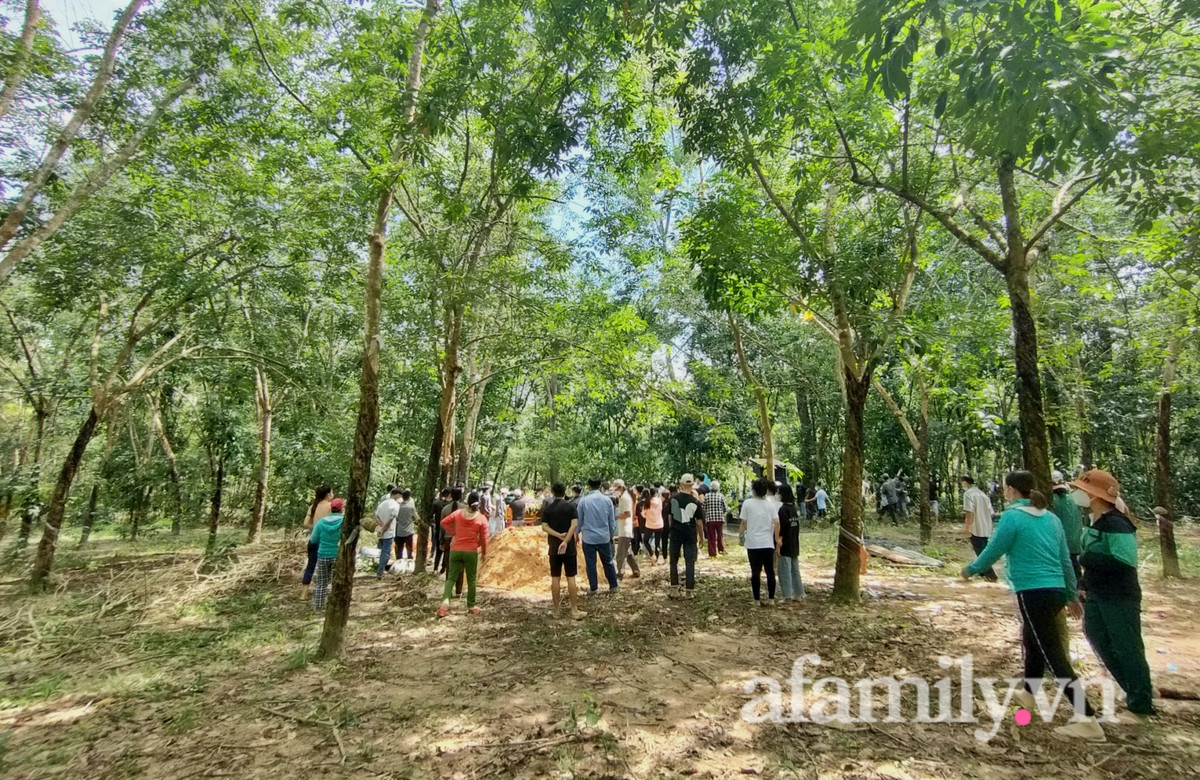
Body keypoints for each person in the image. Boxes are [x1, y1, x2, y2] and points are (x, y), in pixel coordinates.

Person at [962, 471, 1104, 742]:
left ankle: (1087, 718)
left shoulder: (1013, 517)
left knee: (1052, 652)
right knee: (1033, 640)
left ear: (1011, 490)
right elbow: (1065, 559)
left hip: (1032, 591)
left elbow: (994, 549)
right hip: (1054, 590)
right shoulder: (1051, 518)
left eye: (1005, 487)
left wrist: (971, 569)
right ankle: (1028, 695)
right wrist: (1071, 593)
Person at [1071, 469, 1155, 717]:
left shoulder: (1118, 524)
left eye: (1083, 490)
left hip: (1119, 597)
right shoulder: (1095, 521)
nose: (1079, 494)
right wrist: (1084, 584)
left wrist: (1089, 559)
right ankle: (1132, 688)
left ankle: (1141, 702)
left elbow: (1124, 561)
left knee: (1127, 646)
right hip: (1097, 594)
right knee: (1096, 636)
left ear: (1095, 495)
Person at [437, 491, 489, 617]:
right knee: (471, 579)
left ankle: (445, 604)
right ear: (479, 503)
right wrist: (483, 552)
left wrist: (454, 533)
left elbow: (443, 522)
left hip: (456, 550)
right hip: (471, 551)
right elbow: (484, 538)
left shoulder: (458, 513)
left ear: (467, 502)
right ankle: (471, 606)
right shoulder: (481, 518)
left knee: (451, 578)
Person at [540, 482, 586, 619]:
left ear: (553, 492)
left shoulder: (548, 508)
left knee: (555, 578)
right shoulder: (571, 506)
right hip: (569, 548)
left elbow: (544, 526)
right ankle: (574, 610)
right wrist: (566, 540)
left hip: (554, 547)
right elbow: (574, 525)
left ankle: (556, 610)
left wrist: (557, 535)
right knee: (571, 577)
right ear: (564, 491)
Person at [739, 478, 780, 606]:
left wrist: (740, 537)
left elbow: (743, 523)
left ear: (754, 490)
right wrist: (777, 538)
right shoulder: (770, 504)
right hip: (767, 542)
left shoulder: (747, 503)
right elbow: (777, 522)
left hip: (753, 543)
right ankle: (771, 599)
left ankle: (756, 600)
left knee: (755, 571)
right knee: (770, 571)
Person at [577, 477, 620, 594]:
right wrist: (610, 534)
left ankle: (594, 588)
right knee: (608, 562)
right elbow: (612, 522)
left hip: (588, 538)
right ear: (600, 485)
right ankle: (613, 586)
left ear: (589, 486)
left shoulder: (584, 501)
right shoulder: (607, 501)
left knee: (591, 564)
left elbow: (579, 521)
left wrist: (577, 534)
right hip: (604, 537)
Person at [667, 474, 705, 599]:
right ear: (692, 485)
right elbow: (699, 522)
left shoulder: (673, 499)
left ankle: (674, 589)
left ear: (681, 484)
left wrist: (672, 529)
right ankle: (689, 591)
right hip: (690, 534)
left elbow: (669, 517)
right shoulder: (696, 502)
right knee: (690, 562)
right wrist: (701, 536)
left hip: (676, 533)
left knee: (673, 560)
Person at [309, 498, 345, 611]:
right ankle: (336, 606)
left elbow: (313, 539)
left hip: (323, 555)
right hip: (338, 555)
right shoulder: (344, 522)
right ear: (342, 509)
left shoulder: (321, 522)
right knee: (338, 582)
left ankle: (319, 606)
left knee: (321, 582)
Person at [961, 475, 997, 582]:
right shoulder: (983, 495)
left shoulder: (968, 494)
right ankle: (982, 572)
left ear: (965, 482)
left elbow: (969, 512)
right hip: (986, 527)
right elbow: (991, 513)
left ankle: (991, 575)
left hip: (976, 527)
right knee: (983, 550)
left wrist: (967, 527)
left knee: (981, 552)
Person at [1050, 470, 1084, 581]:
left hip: (1061, 544)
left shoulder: (1052, 501)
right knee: (1075, 569)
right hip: (1076, 542)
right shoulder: (1074, 498)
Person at [301, 485, 333, 593]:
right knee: (327, 567)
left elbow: (305, 524)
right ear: (328, 494)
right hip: (325, 541)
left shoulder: (313, 507)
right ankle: (322, 591)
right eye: (332, 492)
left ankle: (303, 594)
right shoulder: (331, 506)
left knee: (311, 565)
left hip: (313, 540)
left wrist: (315, 527)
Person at [777, 483, 804, 601]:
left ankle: (787, 595)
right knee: (795, 569)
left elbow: (781, 528)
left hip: (785, 544)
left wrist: (778, 542)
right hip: (794, 542)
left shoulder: (783, 510)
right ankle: (799, 593)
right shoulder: (794, 508)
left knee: (784, 570)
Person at [440, 487, 466, 597]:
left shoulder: (445, 509)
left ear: (451, 495)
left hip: (448, 540)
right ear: (461, 496)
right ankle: (458, 591)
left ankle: (448, 590)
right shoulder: (465, 510)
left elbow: (441, 526)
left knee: (448, 565)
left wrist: (441, 540)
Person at [613, 480, 641, 579]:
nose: (615, 491)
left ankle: (620, 572)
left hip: (625, 530)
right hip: (624, 529)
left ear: (620, 487)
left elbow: (627, 513)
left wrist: (616, 517)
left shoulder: (624, 498)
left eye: (616, 489)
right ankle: (636, 570)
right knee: (628, 552)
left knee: (620, 554)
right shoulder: (623, 497)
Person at [374, 488, 402, 578]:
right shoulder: (396, 505)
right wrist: (384, 528)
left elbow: (376, 516)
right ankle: (380, 572)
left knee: (381, 551)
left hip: (380, 531)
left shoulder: (382, 504)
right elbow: (390, 519)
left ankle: (379, 568)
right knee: (386, 553)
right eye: (400, 495)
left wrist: (381, 526)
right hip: (388, 532)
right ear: (396, 494)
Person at [702, 479, 728, 558]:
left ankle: (712, 553)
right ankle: (721, 549)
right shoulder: (721, 496)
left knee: (711, 536)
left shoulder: (707, 496)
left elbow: (703, 507)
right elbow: (725, 508)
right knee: (720, 535)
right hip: (719, 518)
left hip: (710, 519)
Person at [393, 489, 416, 568]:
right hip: (409, 531)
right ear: (409, 497)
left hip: (399, 530)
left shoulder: (398, 506)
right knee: (409, 548)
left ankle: (398, 565)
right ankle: (410, 565)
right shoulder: (411, 507)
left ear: (402, 497)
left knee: (399, 548)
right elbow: (416, 517)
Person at [643, 486, 664, 564]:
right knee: (657, 543)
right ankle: (656, 559)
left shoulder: (647, 502)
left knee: (645, 540)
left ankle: (652, 554)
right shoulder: (659, 501)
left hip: (649, 525)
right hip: (659, 524)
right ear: (656, 493)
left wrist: (648, 517)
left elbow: (643, 514)